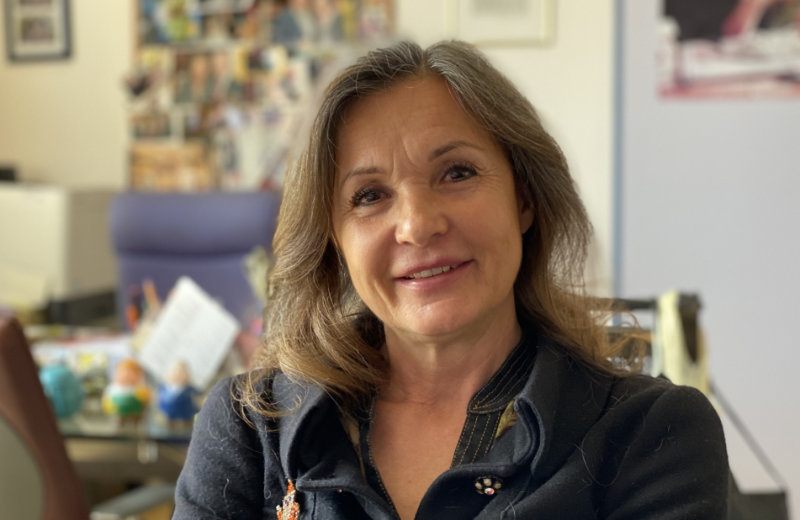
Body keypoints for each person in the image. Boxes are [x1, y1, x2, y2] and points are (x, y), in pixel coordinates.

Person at [173, 40, 729, 519]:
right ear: (334, 241)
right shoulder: (251, 429)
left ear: (524, 199)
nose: (417, 224)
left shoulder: (652, 433)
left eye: (457, 173)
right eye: (369, 196)